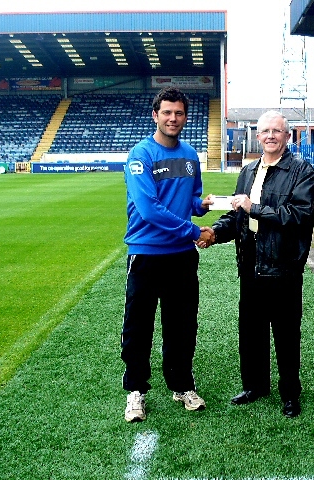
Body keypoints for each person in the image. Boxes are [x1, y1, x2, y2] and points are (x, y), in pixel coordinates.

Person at [202, 110, 314, 418]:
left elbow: (298, 216)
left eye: (276, 131)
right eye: (265, 130)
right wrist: (215, 231)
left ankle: (290, 394)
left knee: (286, 333)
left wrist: (255, 208)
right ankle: (255, 386)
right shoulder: (249, 170)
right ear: (257, 135)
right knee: (251, 331)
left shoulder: (301, 171)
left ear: (287, 136)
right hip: (250, 261)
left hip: (283, 265)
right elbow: (237, 215)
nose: (270, 136)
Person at [121, 87, 214, 422]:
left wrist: (200, 207)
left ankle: (182, 385)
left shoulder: (190, 155)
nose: (173, 118)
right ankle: (136, 391)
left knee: (182, 325)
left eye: (179, 113)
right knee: (138, 325)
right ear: (155, 115)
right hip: (146, 253)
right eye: (167, 113)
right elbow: (149, 209)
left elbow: (189, 201)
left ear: (185, 117)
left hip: (181, 257)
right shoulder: (140, 155)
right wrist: (193, 231)